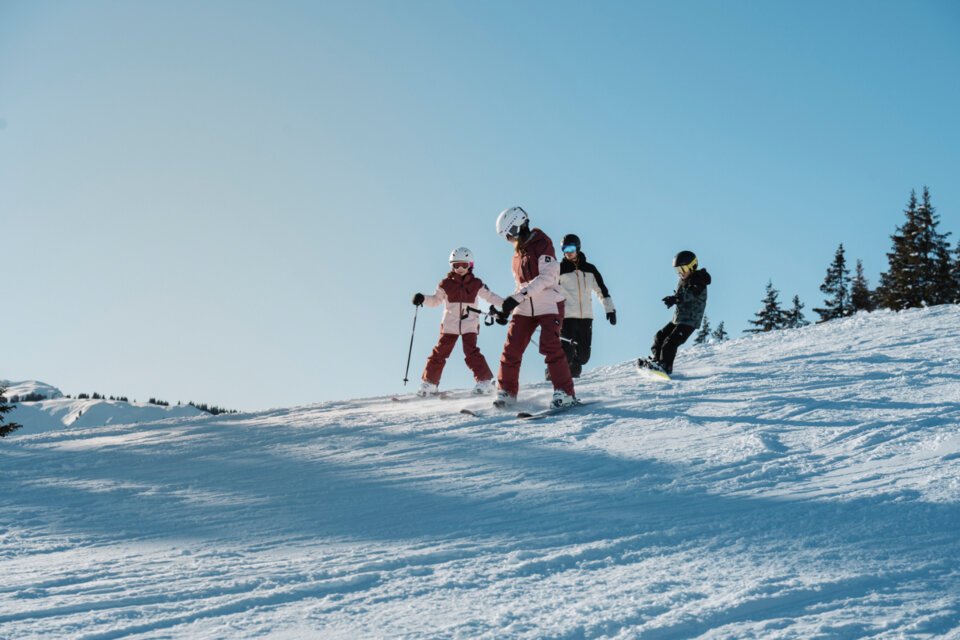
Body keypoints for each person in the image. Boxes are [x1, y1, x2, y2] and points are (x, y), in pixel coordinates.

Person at [491, 206, 577, 409]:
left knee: (550, 345)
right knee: (511, 348)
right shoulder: (516, 256)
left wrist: (517, 297)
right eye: (507, 237)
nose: (511, 240)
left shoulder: (543, 243)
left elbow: (546, 278)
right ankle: (507, 392)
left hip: (548, 302)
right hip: (525, 306)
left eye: (511, 234)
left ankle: (565, 393)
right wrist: (507, 309)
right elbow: (520, 286)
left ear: (520, 225)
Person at [412, 247, 504, 397]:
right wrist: (422, 298)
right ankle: (429, 383)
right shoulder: (445, 284)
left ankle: (485, 381)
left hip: (469, 324)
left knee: (471, 352)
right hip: (449, 325)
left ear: (470, 265)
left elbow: (490, 297)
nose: (460, 269)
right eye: (456, 265)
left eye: (463, 265)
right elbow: (435, 301)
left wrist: (507, 305)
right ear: (451, 266)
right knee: (439, 353)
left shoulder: (476, 283)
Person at [639, 250, 712, 376]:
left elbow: (690, 294)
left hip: (690, 320)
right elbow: (682, 295)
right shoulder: (684, 279)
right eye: (677, 270)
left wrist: (676, 299)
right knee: (659, 336)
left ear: (692, 266)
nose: (680, 273)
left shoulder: (699, 280)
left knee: (670, 342)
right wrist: (674, 299)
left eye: (683, 269)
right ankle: (657, 361)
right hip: (679, 318)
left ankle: (665, 367)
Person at [556, 233, 616, 379]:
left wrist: (609, 308)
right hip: (567, 317)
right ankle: (554, 379)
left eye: (570, 248)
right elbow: (549, 291)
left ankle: (573, 379)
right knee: (566, 352)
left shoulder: (589, 269)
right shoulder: (559, 269)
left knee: (583, 356)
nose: (567, 252)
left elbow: (601, 289)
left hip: (586, 318)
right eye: (564, 249)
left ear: (577, 247)